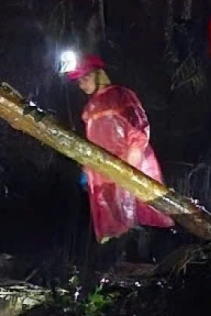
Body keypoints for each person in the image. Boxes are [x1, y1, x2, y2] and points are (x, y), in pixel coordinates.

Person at [63, 54, 175, 244]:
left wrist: (130, 166)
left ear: (99, 75)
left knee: (138, 219)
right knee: (112, 227)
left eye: (86, 77)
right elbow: (93, 141)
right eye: (79, 81)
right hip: (102, 175)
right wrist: (87, 169)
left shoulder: (121, 95)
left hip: (129, 165)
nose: (82, 84)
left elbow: (138, 129)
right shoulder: (89, 108)